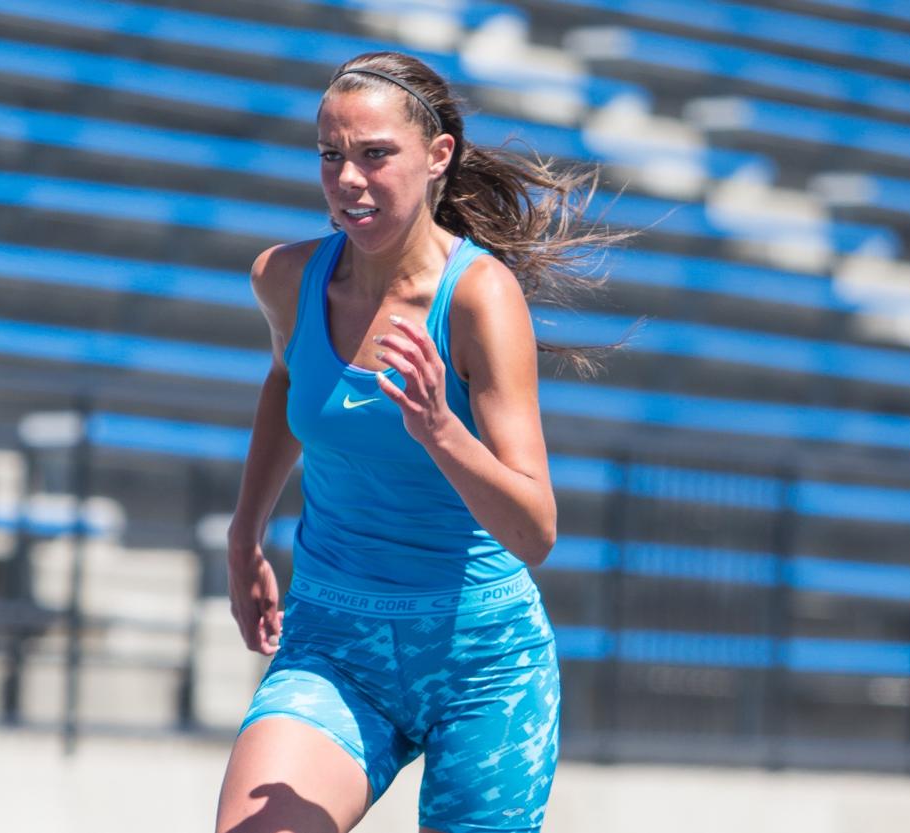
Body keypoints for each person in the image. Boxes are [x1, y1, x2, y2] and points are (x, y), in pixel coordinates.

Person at [215, 51, 615, 833]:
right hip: (334, 641)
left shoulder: (480, 299)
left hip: (483, 659)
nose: (348, 180)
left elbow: (535, 529)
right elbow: (287, 383)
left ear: (437, 157)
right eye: (331, 155)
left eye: (374, 155)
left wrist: (439, 428)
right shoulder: (285, 278)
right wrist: (245, 532)